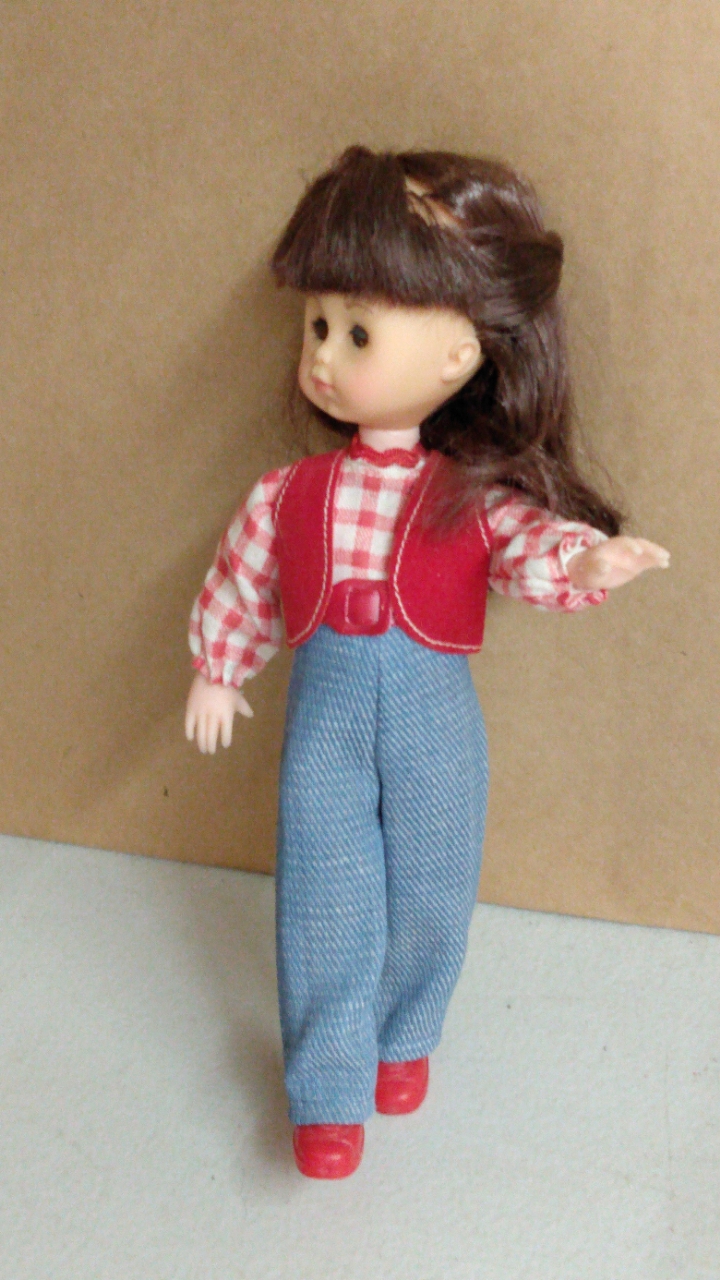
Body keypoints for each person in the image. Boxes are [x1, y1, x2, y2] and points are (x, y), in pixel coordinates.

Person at [185, 146, 669, 1179]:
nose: (324, 355)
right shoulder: (288, 493)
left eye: (358, 332)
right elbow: (242, 578)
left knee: (434, 884)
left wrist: (586, 559)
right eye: (319, 326)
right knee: (323, 892)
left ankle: (406, 1034)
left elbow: (528, 548)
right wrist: (219, 667)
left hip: (433, 715)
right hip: (323, 718)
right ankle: (328, 1090)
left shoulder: (470, 496)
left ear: (458, 355)